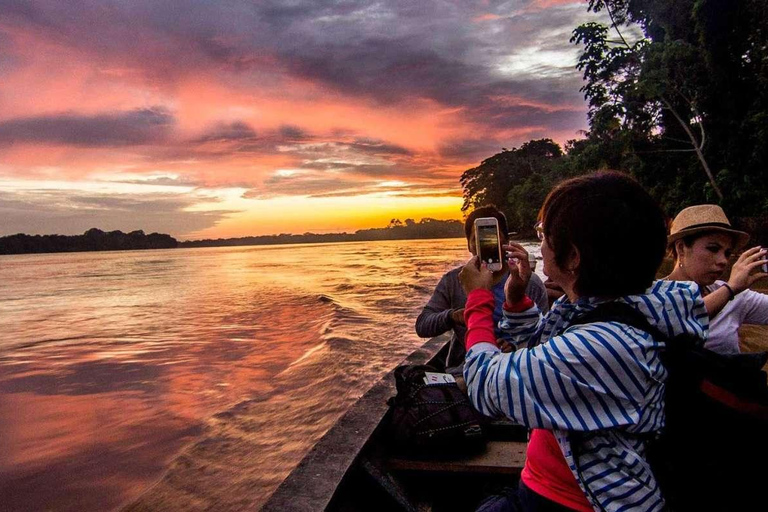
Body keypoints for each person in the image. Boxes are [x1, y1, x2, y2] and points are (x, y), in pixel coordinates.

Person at [459, 172, 708, 512]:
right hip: (550, 480)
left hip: (577, 501)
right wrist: (516, 301)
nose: (541, 245)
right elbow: (545, 353)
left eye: (543, 234)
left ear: (573, 257)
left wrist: (477, 298)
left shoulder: (609, 344)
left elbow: (484, 383)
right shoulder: (612, 307)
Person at [415, 205, 549, 371]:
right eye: (476, 239)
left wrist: (516, 346)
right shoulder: (454, 280)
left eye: (491, 238)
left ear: (506, 242)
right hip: (463, 369)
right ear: (469, 246)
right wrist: (452, 316)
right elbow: (422, 325)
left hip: (515, 368)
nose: (483, 245)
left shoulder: (528, 282)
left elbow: (545, 337)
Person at [666, 204, 768, 354]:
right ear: (681, 248)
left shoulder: (733, 294)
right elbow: (682, 317)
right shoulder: (655, 296)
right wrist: (730, 289)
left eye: (727, 253)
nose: (723, 261)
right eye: (713, 249)